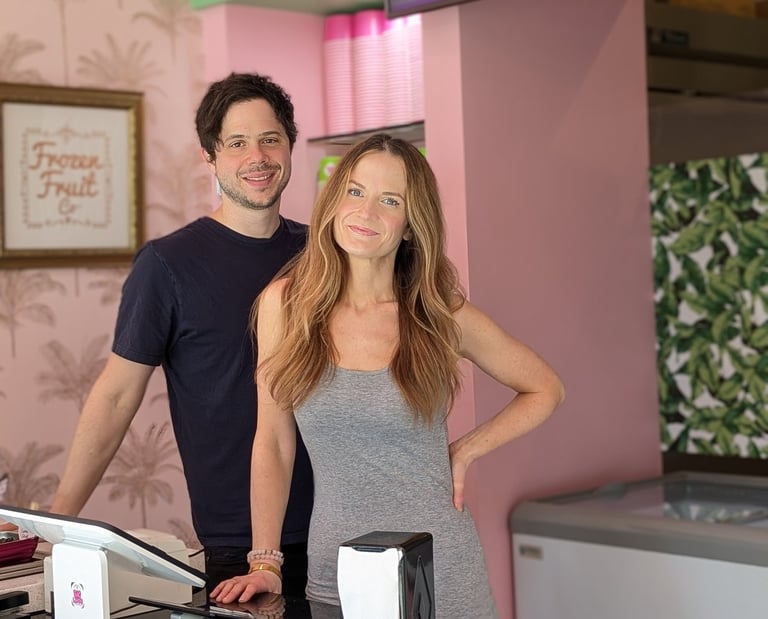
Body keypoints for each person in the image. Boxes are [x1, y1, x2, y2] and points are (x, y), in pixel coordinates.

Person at [210, 133, 565, 616]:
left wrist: (465, 450)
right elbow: (272, 440)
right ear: (334, 202)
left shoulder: (440, 315)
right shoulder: (286, 305)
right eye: (355, 191)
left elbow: (546, 388)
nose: (366, 211)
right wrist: (265, 562)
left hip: (442, 576)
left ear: (410, 226)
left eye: (389, 200)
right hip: (337, 580)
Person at [46, 72, 314, 596]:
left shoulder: (325, 255)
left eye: (270, 139)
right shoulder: (168, 265)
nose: (257, 157)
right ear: (209, 157)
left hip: (346, 522)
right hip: (240, 540)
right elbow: (117, 395)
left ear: (289, 146)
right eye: (236, 143)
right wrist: (58, 520)